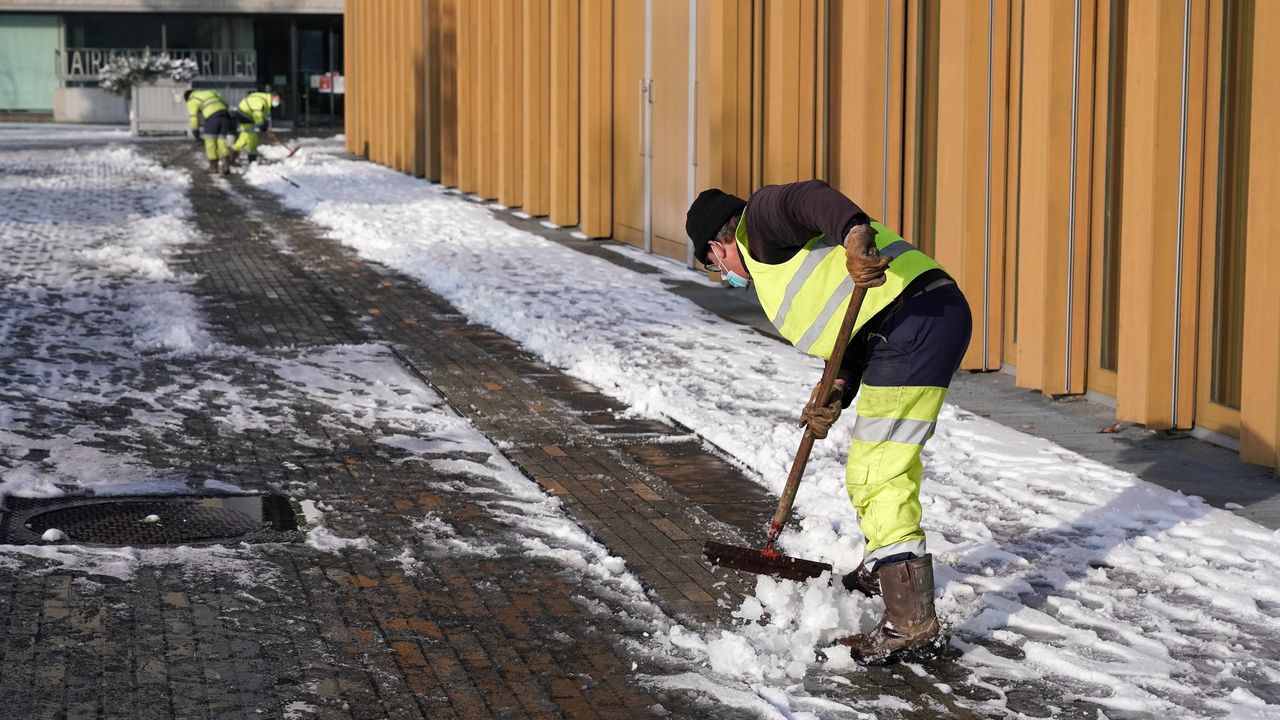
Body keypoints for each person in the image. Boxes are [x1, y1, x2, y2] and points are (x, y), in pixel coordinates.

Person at [686, 181, 972, 665]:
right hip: (908, 322)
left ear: (717, 247)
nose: (725, 276)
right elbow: (854, 327)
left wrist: (854, 233)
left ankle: (911, 623)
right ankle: (887, 563)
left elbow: (808, 197)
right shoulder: (770, 261)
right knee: (882, 461)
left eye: (716, 267)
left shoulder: (760, 222)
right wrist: (835, 390)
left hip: (914, 320)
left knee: (877, 468)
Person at [184, 89, 237, 174]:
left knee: (210, 142)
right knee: (221, 140)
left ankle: (213, 167)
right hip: (225, 115)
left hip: (212, 118)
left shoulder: (191, 100)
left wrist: (195, 130)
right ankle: (226, 165)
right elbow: (225, 103)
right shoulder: (211, 92)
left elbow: (193, 116)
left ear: (187, 98)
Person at [232, 90, 281, 166]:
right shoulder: (261, 101)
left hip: (245, 114)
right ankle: (251, 160)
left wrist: (265, 127)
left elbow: (261, 115)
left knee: (244, 137)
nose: (278, 102)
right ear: (273, 96)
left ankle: (231, 155)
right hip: (245, 115)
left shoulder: (265, 100)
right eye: (278, 99)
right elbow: (257, 115)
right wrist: (263, 126)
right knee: (252, 138)